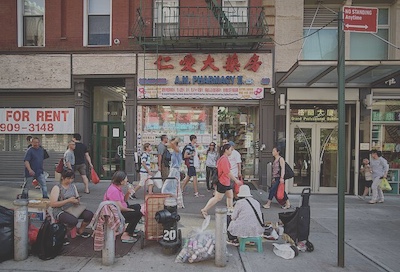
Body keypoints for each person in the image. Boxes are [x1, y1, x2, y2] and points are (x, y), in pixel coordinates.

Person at [49, 170, 94, 245]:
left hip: (73, 208)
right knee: (73, 221)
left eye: (72, 178)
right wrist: (68, 200)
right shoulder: (57, 187)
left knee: (89, 214)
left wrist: (76, 200)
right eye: (68, 178)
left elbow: (77, 197)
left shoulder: (73, 186)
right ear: (63, 178)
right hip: (60, 210)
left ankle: (80, 231)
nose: (70, 180)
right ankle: (62, 234)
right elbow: (53, 204)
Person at [201, 143, 241, 218]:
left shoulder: (222, 158)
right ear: (226, 150)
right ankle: (205, 209)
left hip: (225, 181)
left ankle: (230, 210)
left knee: (230, 196)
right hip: (223, 181)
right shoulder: (224, 159)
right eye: (230, 150)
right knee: (218, 198)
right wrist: (236, 180)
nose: (231, 152)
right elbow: (227, 172)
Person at [103, 171, 143, 243]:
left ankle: (131, 229)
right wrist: (130, 210)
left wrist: (128, 192)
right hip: (117, 214)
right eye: (125, 179)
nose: (127, 180)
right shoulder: (114, 190)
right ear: (121, 181)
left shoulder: (117, 188)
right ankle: (126, 234)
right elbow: (120, 208)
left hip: (121, 210)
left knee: (137, 207)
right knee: (138, 214)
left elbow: (124, 200)